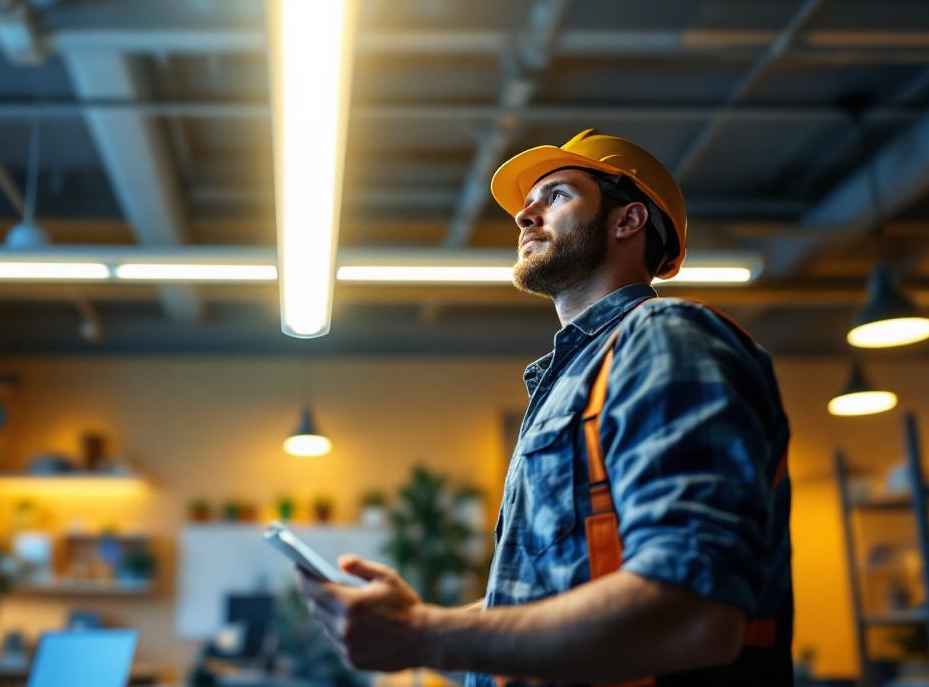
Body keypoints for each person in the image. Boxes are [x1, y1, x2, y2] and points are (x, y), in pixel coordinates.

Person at [296, 129, 792, 686]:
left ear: (627, 220)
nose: (525, 216)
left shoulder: (666, 339)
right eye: (529, 202)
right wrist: (411, 627)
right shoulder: (573, 381)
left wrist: (424, 632)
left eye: (556, 195)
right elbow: (556, 593)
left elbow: (693, 612)